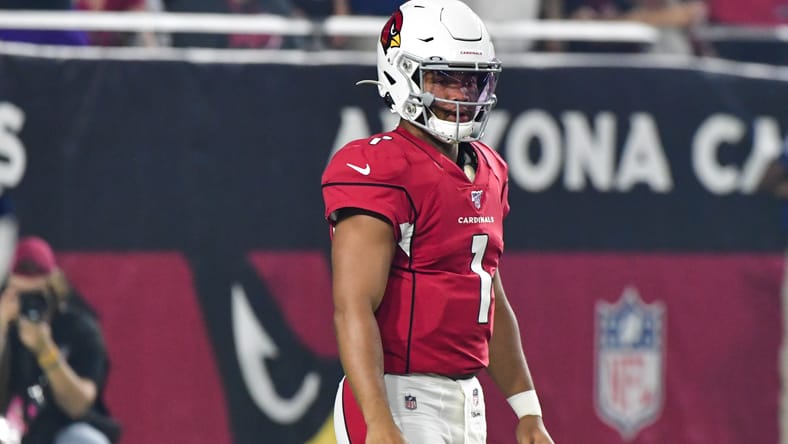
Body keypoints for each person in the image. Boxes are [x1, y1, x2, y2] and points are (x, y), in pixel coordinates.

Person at [321, 1, 554, 443]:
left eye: (471, 80)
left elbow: (487, 295)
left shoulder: (490, 168)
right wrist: (377, 418)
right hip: (398, 392)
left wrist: (527, 409)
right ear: (400, 73)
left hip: (467, 399)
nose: (461, 94)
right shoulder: (379, 168)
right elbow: (353, 306)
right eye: (443, 78)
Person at [0, 236, 120, 444]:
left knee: (86, 440)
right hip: (8, 431)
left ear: (54, 288)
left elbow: (78, 405)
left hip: (59, 432)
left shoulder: (78, 329)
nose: (29, 306)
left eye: (37, 296)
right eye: (21, 296)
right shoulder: (5, 323)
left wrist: (46, 350)